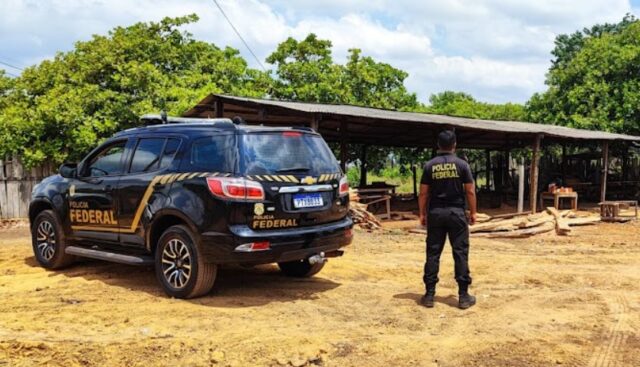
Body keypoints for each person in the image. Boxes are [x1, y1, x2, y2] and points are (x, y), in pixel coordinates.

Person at [418, 130, 477, 309]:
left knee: (433, 253)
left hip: (436, 212)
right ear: (454, 145)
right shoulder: (462, 165)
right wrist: (473, 212)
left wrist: (422, 213)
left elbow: (423, 193)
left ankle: (429, 295)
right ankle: (463, 296)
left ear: (438, 145)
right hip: (456, 213)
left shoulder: (429, 166)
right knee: (460, 252)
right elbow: (470, 191)